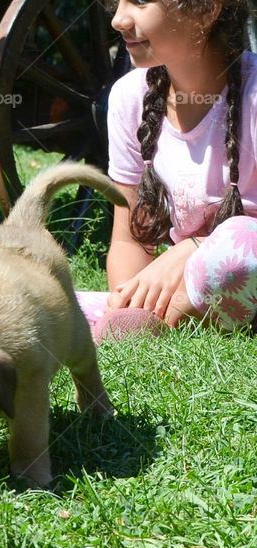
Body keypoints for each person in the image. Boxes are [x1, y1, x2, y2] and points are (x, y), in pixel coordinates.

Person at [79, 0, 256, 339]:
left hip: (240, 270)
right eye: (118, 3)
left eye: (140, 2)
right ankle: (148, 322)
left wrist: (194, 248)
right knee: (35, 301)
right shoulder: (129, 98)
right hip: (188, 292)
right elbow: (129, 239)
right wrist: (129, 301)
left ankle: (160, 325)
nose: (118, 19)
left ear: (206, 9)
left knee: (241, 245)